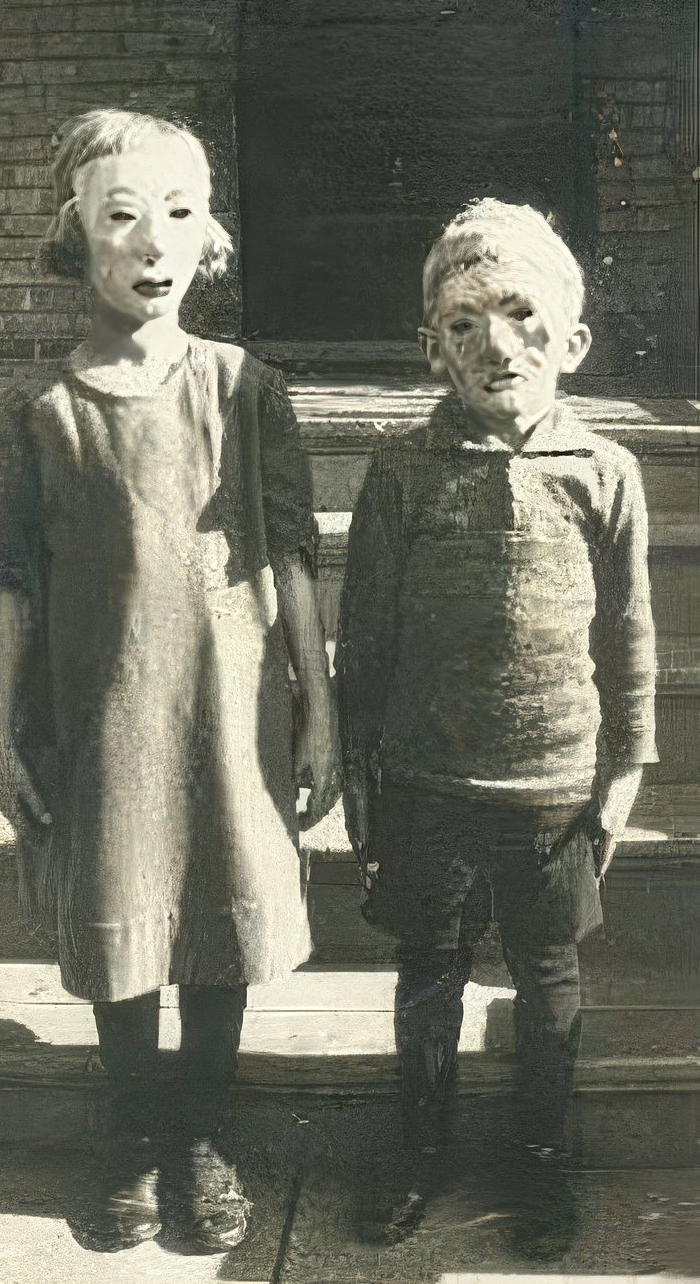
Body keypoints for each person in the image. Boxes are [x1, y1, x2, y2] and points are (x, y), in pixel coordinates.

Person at [0, 108, 339, 1253]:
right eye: (120, 218)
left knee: (219, 910)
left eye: (176, 214)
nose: (151, 242)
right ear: (76, 241)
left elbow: (289, 554)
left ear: (208, 235)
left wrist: (318, 706)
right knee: (118, 908)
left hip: (226, 712)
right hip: (101, 710)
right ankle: (131, 1132)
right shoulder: (36, 413)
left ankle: (198, 1134)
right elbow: (13, 581)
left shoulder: (244, 388)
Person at [337, 198, 657, 1252]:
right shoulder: (401, 472)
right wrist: (360, 778)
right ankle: (417, 1152)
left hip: (555, 789)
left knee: (549, 976)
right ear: (432, 347)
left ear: (569, 340)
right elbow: (366, 644)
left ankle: (540, 1167)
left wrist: (621, 776)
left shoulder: (603, 474)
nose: (495, 345)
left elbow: (629, 638)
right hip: (427, 783)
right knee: (426, 972)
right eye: (463, 323)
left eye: (519, 315)